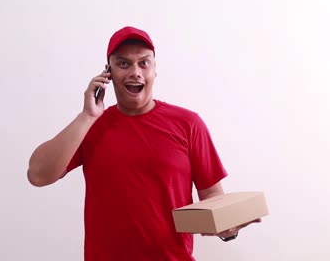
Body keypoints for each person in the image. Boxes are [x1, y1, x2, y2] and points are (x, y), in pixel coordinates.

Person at [27, 26, 261, 261]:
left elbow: (213, 199)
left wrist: (227, 227)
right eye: (123, 64)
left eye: (144, 63)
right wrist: (87, 116)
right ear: (108, 73)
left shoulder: (188, 124)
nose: (135, 72)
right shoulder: (91, 125)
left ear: (155, 71)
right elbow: (38, 175)